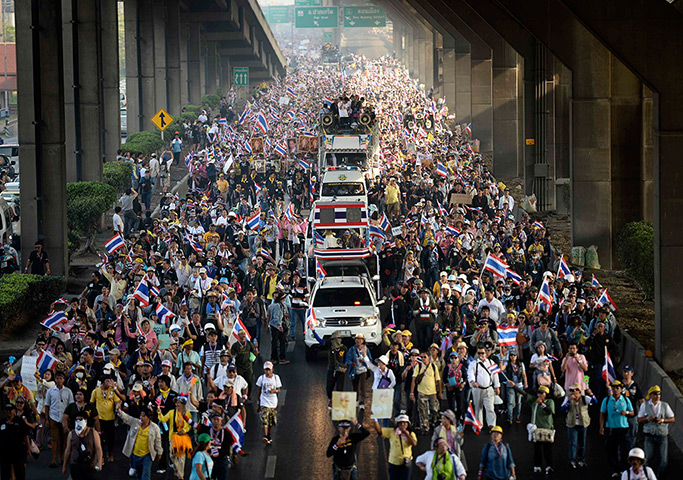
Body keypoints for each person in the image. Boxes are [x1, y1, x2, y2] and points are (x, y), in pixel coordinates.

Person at [638, 385, 675, 478]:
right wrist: (647, 418)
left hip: (662, 435)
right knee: (648, 458)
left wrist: (662, 420)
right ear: (650, 395)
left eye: (659, 394)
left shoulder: (665, 405)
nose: (658, 396)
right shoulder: (644, 405)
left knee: (664, 460)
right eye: (655, 394)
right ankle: (647, 477)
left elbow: (672, 418)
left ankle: (659, 477)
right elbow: (639, 419)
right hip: (649, 435)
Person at [600, 380, 635, 478]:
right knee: (612, 450)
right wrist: (601, 426)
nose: (615, 390)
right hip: (612, 428)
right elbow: (602, 414)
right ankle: (615, 469)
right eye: (614, 388)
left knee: (625, 450)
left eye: (617, 388)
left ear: (620, 389)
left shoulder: (625, 399)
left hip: (623, 428)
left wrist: (626, 412)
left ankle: (624, 469)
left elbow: (632, 412)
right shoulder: (607, 400)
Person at [117, 406, 163, 480]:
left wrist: (159, 453)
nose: (141, 417)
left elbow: (158, 441)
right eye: (140, 415)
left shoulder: (155, 428)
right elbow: (127, 418)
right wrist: (119, 410)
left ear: (149, 417)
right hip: (135, 455)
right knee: (138, 474)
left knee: (146, 476)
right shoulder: (135, 422)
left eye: (143, 416)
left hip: (147, 456)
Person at [561, 383, 596, 468]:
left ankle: (581, 459)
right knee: (573, 443)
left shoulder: (584, 398)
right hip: (572, 424)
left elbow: (594, 401)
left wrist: (591, 394)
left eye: (575, 390)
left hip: (583, 424)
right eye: (571, 390)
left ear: (579, 392)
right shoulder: (567, 399)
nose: (573, 392)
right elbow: (562, 409)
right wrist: (569, 401)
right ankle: (572, 460)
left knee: (582, 443)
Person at [372, 415, 417, 480]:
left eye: (404, 423)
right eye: (400, 423)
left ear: (407, 424)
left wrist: (405, 432)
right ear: (397, 424)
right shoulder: (392, 432)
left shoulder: (411, 434)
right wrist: (374, 419)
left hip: (405, 463)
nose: (402, 424)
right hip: (393, 462)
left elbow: (414, 443)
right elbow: (379, 430)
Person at [467, 344, 500, 431]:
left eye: (482, 353)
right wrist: (473, 382)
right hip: (477, 389)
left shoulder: (491, 363)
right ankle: (479, 425)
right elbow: (470, 374)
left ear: (486, 353)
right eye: (479, 353)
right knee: (478, 408)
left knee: (490, 408)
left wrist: (497, 387)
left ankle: (492, 425)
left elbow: (495, 375)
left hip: (488, 389)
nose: (480, 355)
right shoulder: (473, 364)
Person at [45, 370, 74, 468]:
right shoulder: (50, 391)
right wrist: (47, 419)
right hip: (53, 417)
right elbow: (47, 405)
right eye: (57, 378)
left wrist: (69, 418)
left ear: (63, 380)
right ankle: (53, 459)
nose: (58, 380)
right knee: (54, 439)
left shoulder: (68, 391)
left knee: (63, 439)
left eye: (60, 378)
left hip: (64, 418)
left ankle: (62, 457)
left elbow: (71, 405)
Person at [62, 412, 103, 480]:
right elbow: (68, 450)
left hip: (89, 465)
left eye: (80, 419)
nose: (78, 421)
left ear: (85, 420)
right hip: (75, 464)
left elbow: (98, 448)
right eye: (76, 419)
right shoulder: (71, 434)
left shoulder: (93, 433)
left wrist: (99, 462)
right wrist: (64, 465)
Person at [411, 350, 442, 434]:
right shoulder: (419, 366)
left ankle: (433, 422)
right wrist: (412, 392)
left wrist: (440, 392)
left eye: (425, 357)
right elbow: (414, 379)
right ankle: (425, 427)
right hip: (422, 392)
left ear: (429, 357)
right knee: (422, 411)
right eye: (422, 357)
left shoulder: (433, 366)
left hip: (432, 392)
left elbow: (438, 380)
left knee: (434, 409)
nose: (423, 359)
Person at [0, 403, 30, 480]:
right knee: (5, 473)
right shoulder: (1, 422)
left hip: (18, 451)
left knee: (20, 473)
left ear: (14, 411)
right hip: (5, 452)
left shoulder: (19, 421)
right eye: (6, 410)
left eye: (10, 410)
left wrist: (28, 448)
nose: (8, 412)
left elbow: (25, 436)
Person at [256, 361, 282, 445]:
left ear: (272, 370)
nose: (267, 372)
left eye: (269, 370)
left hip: (273, 402)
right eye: (266, 370)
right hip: (264, 401)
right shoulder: (261, 378)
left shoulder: (276, 378)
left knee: (272, 420)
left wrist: (274, 391)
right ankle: (265, 435)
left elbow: (279, 389)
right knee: (265, 418)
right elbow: (259, 391)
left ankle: (269, 435)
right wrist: (258, 402)